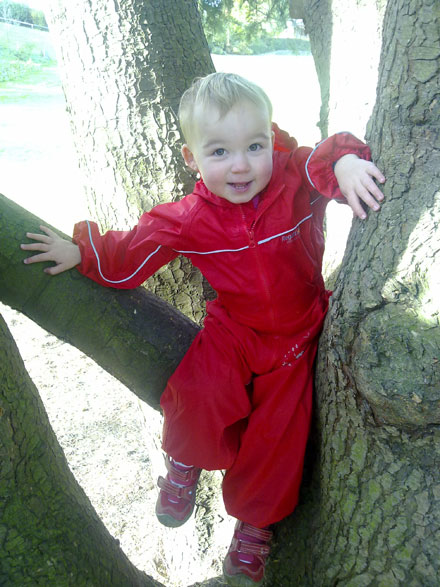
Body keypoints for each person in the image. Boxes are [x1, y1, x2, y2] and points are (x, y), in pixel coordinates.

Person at [21, 72, 385, 586]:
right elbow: (129, 255)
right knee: (198, 391)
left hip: (298, 337)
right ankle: (183, 466)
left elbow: (321, 156)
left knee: (279, 435)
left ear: (270, 138)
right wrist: (82, 252)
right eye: (219, 152)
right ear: (192, 158)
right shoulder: (189, 218)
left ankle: (255, 527)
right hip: (234, 330)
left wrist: (347, 162)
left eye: (254, 146)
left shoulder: (291, 180)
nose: (241, 165)